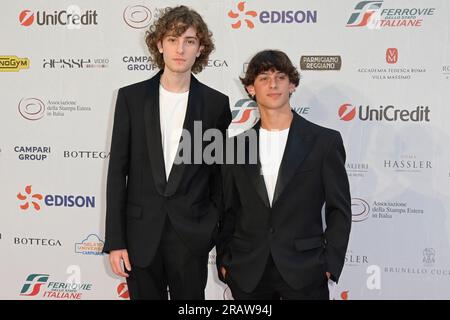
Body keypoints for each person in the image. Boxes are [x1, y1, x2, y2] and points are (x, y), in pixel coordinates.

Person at [103, 5, 231, 300]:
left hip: (191, 237)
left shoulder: (215, 104)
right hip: (139, 237)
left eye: (189, 41)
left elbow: (219, 175)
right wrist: (116, 241)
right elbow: (116, 173)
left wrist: (209, 227)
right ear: (159, 44)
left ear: (200, 49)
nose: (180, 49)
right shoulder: (131, 98)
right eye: (172, 40)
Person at [216, 50, 351, 300]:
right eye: (264, 78)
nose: (273, 84)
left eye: (280, 76)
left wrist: (330, 264)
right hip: (247, 272)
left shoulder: (324, 142)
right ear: (250, 89)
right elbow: (227, 210)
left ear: (293, 84)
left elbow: (339, 209)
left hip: (306, 270)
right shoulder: (232, 148)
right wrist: (225, 261)